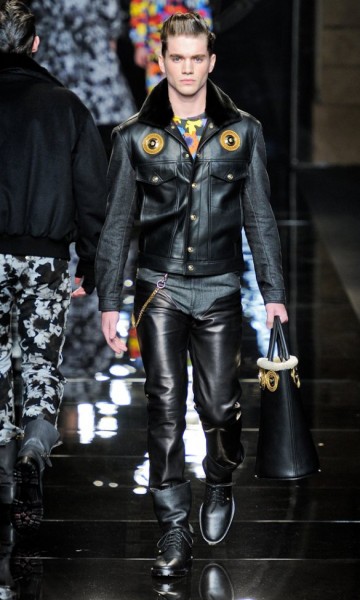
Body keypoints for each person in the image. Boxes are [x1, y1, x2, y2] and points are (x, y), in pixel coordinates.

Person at [96, 12, 288, 577]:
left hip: (220, 286)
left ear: (210, 62)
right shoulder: (134, 136)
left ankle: (220, 479)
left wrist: (273, 292)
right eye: (176, 58)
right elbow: (117, 225)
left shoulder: (242, 132)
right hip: (158, 289)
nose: (186, 69)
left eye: (195, 58)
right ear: (162, 61)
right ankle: (173, 525)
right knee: (163, 404)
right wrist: (109, 302)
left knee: (221, 406)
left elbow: (260, 216)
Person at [0, 0, 107, 533]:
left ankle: (3, 472)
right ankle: (34, 450)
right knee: (41, 362)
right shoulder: (65, 105)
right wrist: (92, 261)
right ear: (35, 44)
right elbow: (92, 194)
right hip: (46, 258)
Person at [30, 0, 137, 156]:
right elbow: (112, 14)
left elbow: (35, 18)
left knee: (61, 141)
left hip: (57, 62)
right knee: (110, 147)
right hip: (97, 67)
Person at [130, 0, 212, 93]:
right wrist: (140, 44)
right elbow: (138, 10)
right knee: (157, 92)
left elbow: (203, 12)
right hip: (156, 49)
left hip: (187, 47)